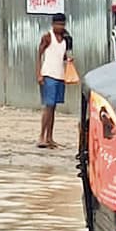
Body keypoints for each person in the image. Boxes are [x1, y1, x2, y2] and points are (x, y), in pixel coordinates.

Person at [36, 13, 74, 149]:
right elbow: (39, 55)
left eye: (63, 24)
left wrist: (68, 60)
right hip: (48, 75)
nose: (60, 27)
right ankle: (41, 136)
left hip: (60, 76)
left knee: (53, 108)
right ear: (53, 24)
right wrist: (39, 74)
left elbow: (62, 56)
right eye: (58, 24)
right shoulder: (47, 37)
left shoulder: (65, 39)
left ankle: (50, 137)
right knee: (48, 106)